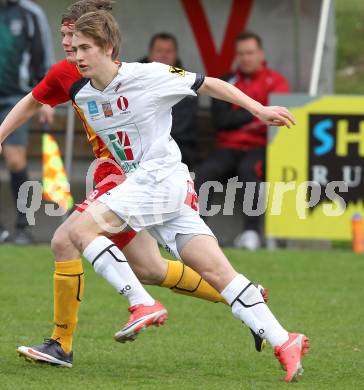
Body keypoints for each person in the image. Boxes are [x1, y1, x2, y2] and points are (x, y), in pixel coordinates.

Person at [24, 11, 305, 382]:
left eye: (85, 48)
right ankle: (286, 340)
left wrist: (259, 109)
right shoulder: (83, 88)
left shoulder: (149, 75)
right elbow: (39, 98)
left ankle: (140, 302)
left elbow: (209, 84)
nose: (76, 56)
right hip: (153, 186)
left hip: (159, 179)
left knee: (79, 233)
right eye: (74, 49)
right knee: (217, 273)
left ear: (108, 48)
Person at [194, 31, 290, 250]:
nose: (246, 58)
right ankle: (197, 234)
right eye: (241, 54)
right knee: (206, 172)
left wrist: (240, 114)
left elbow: (279, 118)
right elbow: (221, 121)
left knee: (250, 170)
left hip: (261, 146)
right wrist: (258, 110)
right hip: (228, 147)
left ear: (261, 54)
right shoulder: (227, 81)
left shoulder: (276, 82)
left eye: (250, 53)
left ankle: (251, 233)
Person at [0, 0, 55, 244]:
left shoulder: (30, 13)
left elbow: (44, 55)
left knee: (15, 160)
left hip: (16, 98)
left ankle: (23, 226)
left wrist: (47, 99)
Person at [139, 33, 198, 169]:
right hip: (139, 145)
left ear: (175, 54)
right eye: (159, 50)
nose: (164, 55)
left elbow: (180, 126)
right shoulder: (132, 77)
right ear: (150, 54)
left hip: (177, 145)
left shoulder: (187, 81)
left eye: (168, 51)